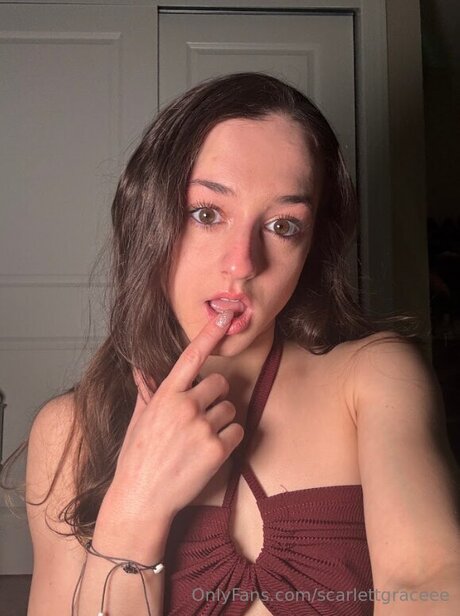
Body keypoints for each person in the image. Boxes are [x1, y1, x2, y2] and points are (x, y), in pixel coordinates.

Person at [2, 72, 459, 615]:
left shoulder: (373, 378)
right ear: (148, 216)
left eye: (283, 226)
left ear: (313, 243)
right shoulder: (70, 432)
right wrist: (134, 507)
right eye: (207, 214)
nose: (242, 264)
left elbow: (424, 580)